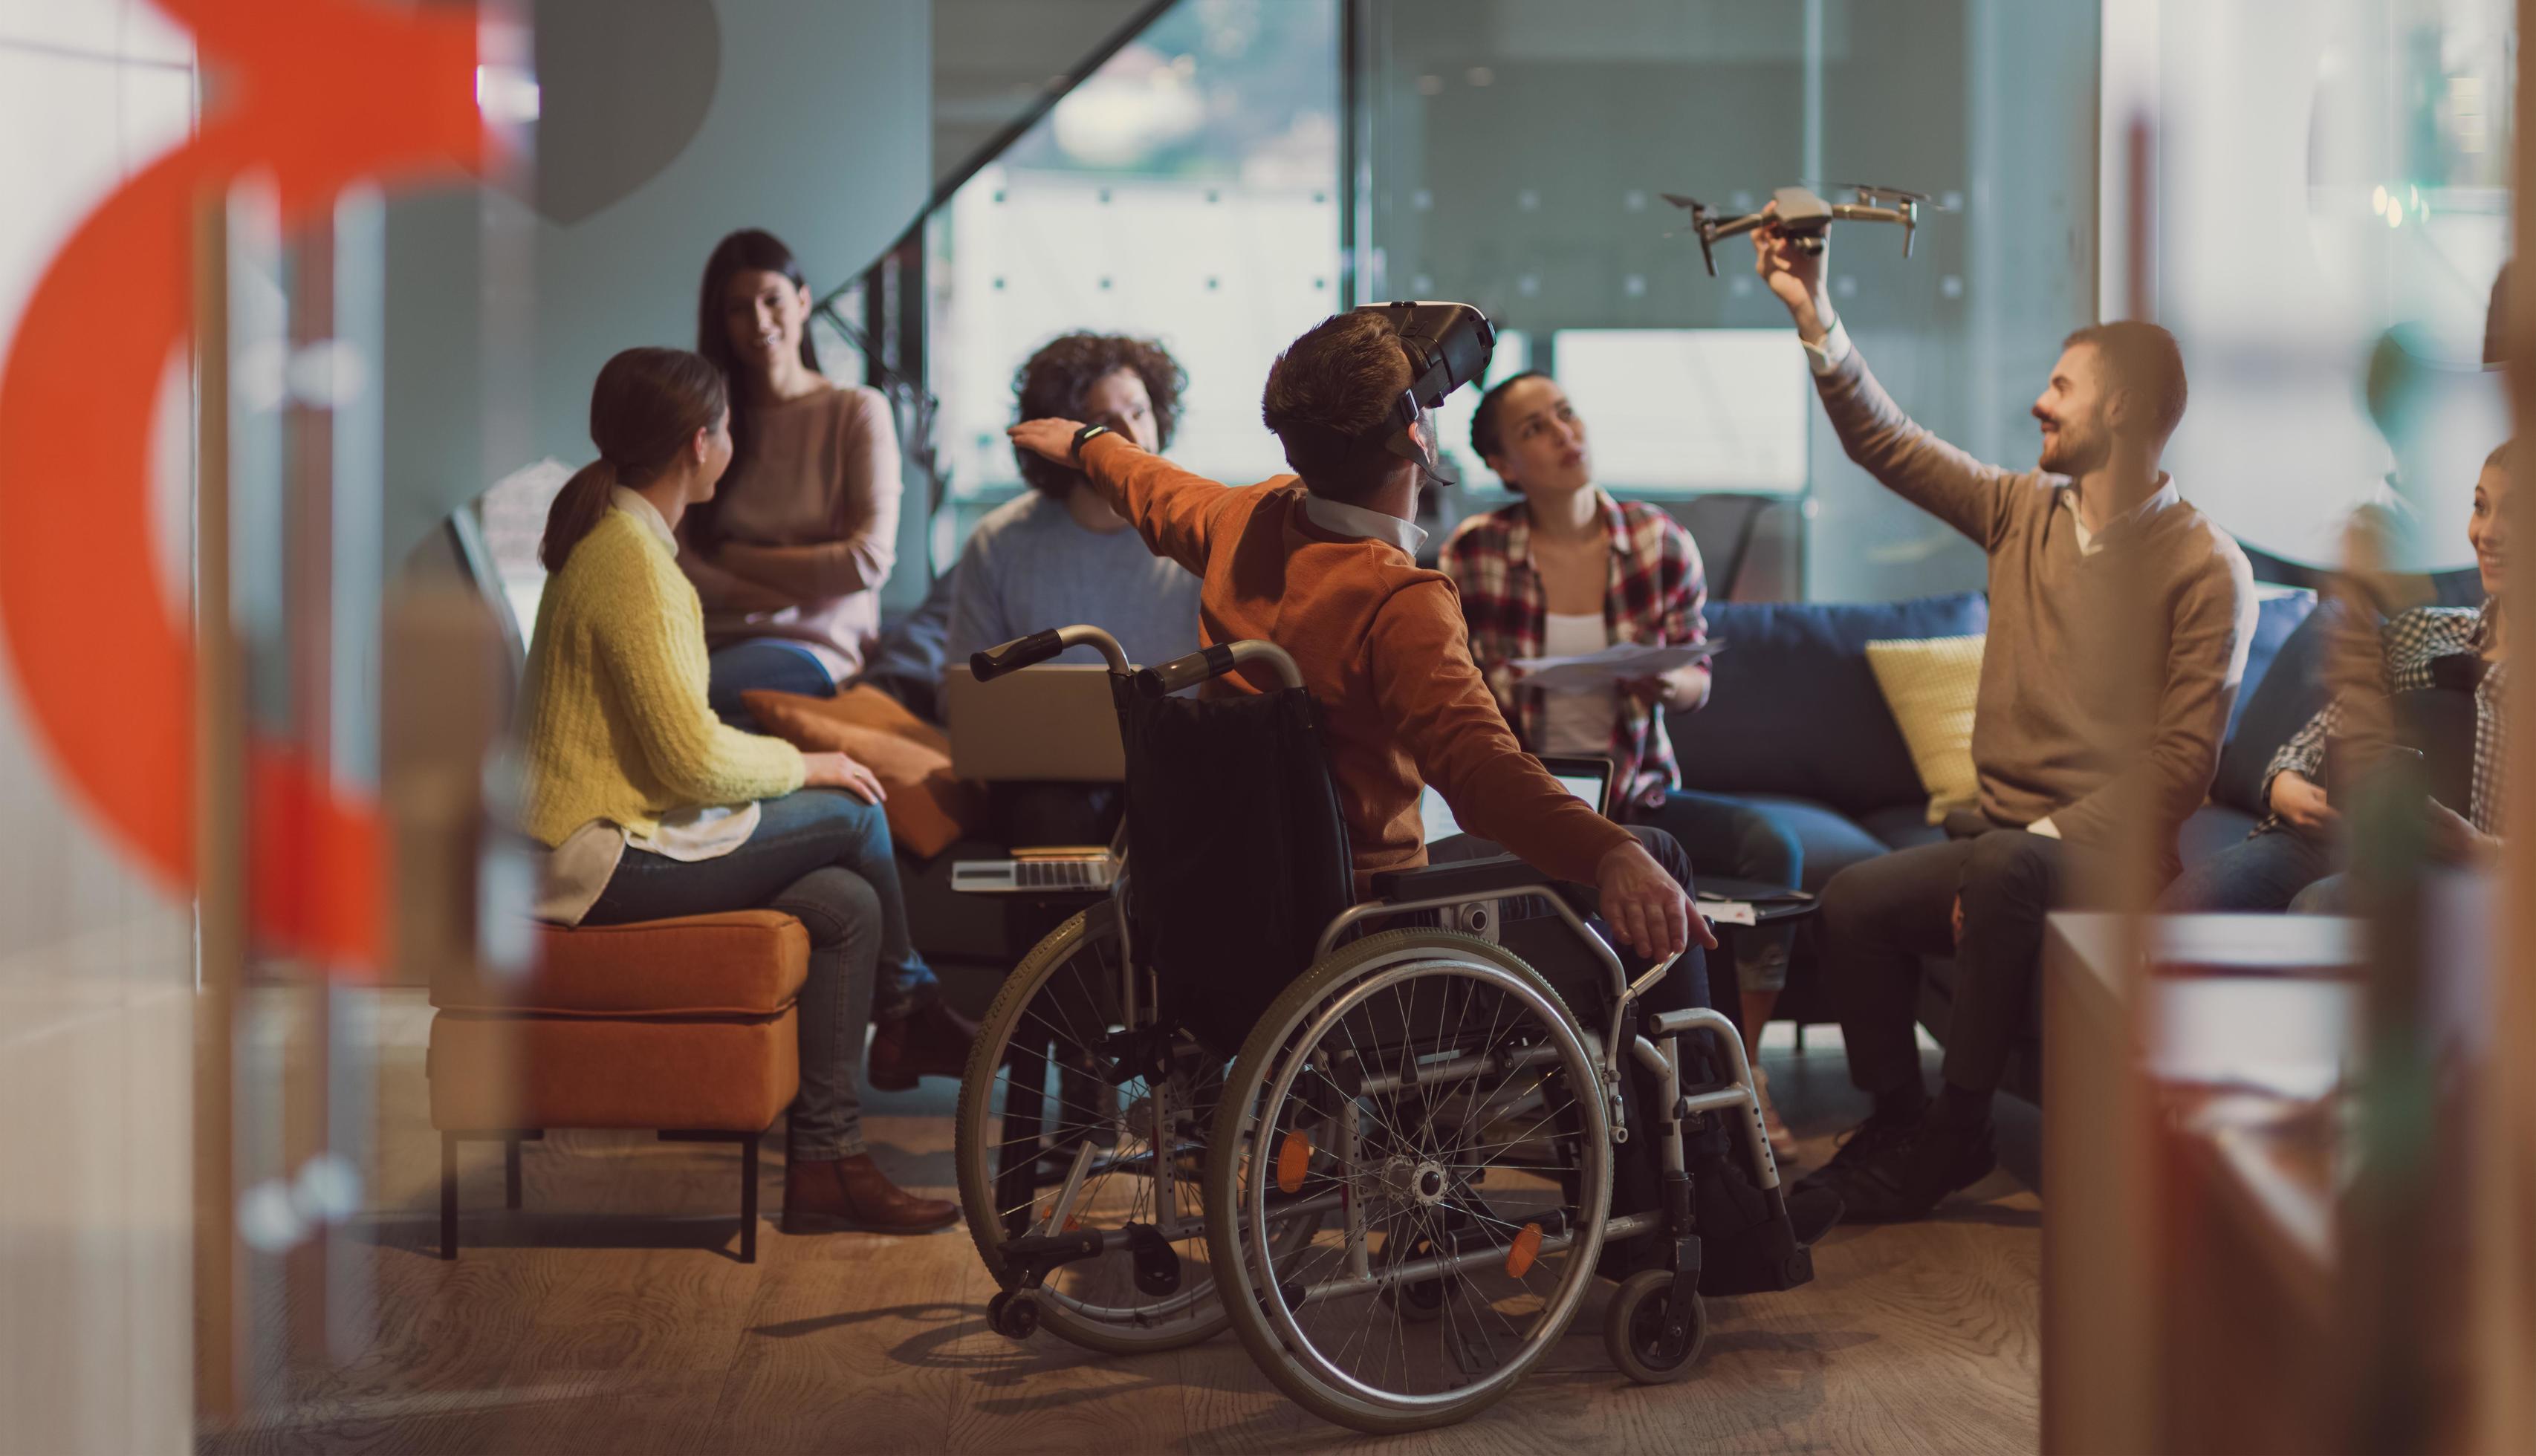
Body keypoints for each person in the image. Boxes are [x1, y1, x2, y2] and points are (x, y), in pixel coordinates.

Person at [1008, 308, 1842, 1262]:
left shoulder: (1241, 521)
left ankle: (1642, 1193)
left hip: (1232, 918)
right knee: (1651, 855)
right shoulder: (1397, 598)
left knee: (1596, 858)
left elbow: (1150, 487)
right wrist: (1609, 852)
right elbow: (1482, 778)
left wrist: (1086, 443)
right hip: (1366, 926)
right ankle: (1714, 1216)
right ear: (1417, 435)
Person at [1749, 209, 2257, 1223]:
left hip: (2103, 853)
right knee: (1849, 901)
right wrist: (1814, 315)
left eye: (2061, 388)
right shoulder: (2022, 511)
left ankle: (1955, 1128)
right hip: (2002, 846)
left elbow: (2180, 771)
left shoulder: (2207, 569)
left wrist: (2024, 845)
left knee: (2003, 863)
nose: (2038, 403)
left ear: (2120, 411)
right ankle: (1902, 1122)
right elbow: (1887, 445)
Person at [518, 346, 972, 1235]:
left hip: (607, 836)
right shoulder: (633, 565)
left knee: (842, 903)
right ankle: (910, 1005)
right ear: (701, 444)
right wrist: (808, 764)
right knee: (851, 807)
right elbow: (690, 759)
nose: (731, 442)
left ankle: (827, 1166)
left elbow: (676, 746)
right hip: (591, 856)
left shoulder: (622, 545)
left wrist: (795, 764)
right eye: (726, 428)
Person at [1446, 370, 1803, 1161]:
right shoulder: (1472, 553)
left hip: (1640, 790)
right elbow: (1456, 696)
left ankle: (1740, 1071)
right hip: (1539, 802)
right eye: (1535, 428)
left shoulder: (1656, 540)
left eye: (1566, 414)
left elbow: (1695, 682)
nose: (1564, 434)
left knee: (1768, 848)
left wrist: (1663, 675)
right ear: (1504, 464)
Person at [2164, 442, 2511, 914]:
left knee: (2320, 907)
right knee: (2185, 909)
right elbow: (2327, 728)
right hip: (2321, 836)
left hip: (2441, 869)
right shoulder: (2428, 627)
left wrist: (2482, 850)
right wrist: (2284, 783)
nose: (2486, 532)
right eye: (2480, 507)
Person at [947, 334, 1207, 845]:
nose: (1131, 436)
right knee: (1046, 817)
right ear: (1064, 441)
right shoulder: (1000, 544)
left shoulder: (1199, 532)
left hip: (1184, 771)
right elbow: (964, 694)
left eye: (1139, 411)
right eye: (1106, 423)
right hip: (1046, 786)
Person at [678, 229, 903, 732]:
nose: (759, 322)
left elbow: (866, 561)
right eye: (738, 309)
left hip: (815, 646)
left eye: (772, 300)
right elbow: (685, 564)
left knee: (675, 701)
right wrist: (802, 581)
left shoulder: (857, 412)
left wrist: (736, 559)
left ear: (802, 302)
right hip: (705, 638)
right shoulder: (708, 424)